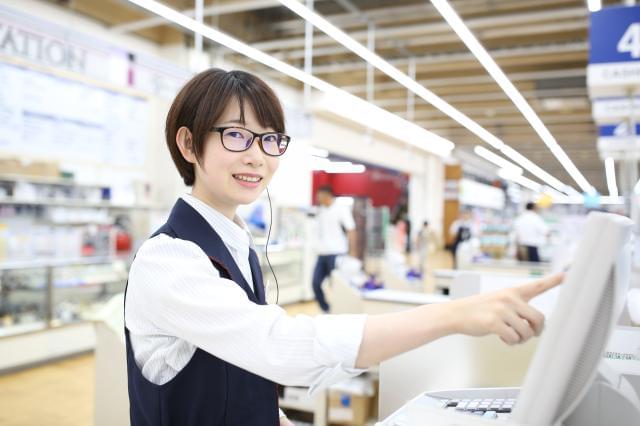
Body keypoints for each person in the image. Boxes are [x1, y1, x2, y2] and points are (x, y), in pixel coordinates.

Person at [124, 68, 564, 426]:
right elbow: (279, 348)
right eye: (236, 135)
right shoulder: (169, 260)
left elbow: (244, 372)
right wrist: (453, 315)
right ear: (188, 144)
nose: (257, 156)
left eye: (270, 139)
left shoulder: (236, 246)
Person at [312, 185, 357, 313]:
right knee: (315, 283)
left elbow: (351, 230)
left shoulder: (341, 209)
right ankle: (327, 309)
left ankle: (339, 311)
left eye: (320, 196)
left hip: (337, 253)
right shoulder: (320, 211)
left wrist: (352, 252)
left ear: (327, 196)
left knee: (337, 286)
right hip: (322, 254)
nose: (318, 198)